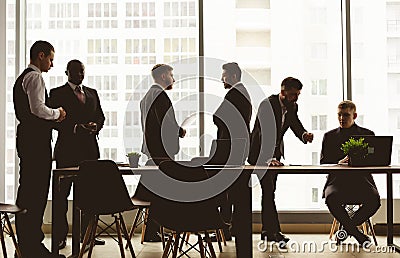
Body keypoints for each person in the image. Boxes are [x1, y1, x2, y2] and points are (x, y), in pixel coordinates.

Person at [13, 40, 66, 258]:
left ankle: (25, 246)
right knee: (36, 193)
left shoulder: (22, 78)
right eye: (51, 59)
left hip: (27, 140)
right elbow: (38, 109)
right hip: (36, 143)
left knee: (27, 191)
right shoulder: (35, 77)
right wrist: (58, 113)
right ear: (41, 55)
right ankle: (33, 247)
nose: (52, 64)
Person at [248, 77, 314, 244]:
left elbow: (294, 123)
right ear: (283, 92)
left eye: (298, 94)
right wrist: (268, 158)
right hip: (260, 155)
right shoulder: (267, 104)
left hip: (275, 156)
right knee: (269, 191)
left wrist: (304, 134)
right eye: (293, 94)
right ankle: (274, 231)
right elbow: (265, 132)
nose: (296, 98)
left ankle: (267, 230)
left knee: (269, 192)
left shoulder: (292, 106)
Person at [48, 59, 106, 249]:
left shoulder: (92, 93)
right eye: (76, 72)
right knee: (61, 197)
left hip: (89, 152)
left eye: (82, 71)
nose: (80, 75)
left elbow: (100, 115)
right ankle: (60, 237)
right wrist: (75, 128)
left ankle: (87, 235)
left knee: (88, 195)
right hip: (67, 151)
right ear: (67, 73)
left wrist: (95, 126)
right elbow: (53, 120)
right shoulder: (57, 93)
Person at [320, 100, 380, 245]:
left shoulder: (368, 134)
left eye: (346, 115)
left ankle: (346, 230)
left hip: (362, 181)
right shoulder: (329, 136)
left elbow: (375, 160)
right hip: (337, 181)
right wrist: (339, 162)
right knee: (331, 198)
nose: (342, 118)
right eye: (339, 115)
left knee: (374, 201)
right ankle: (356, 234)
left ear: (355, 115)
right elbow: (323, 162)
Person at [139, 64, 186, 241]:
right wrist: (179, 131)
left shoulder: (146, 97)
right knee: (161, 194)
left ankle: (153, 231)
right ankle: (154, 232)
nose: (173, 79)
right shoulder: (160, 96)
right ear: (164, 76)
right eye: (171, 75)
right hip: (162, 155)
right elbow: (164, 126)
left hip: (153, 153)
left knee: (156, 194)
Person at [212, 62, 252, 240]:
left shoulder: (234, 94)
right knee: (234, 189)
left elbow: (217, 117)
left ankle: (224, 229)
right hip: (238, 148)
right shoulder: (243, 93)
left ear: (234, 76)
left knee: (225, 190)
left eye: (224, 75)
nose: (222, 78)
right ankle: (231, 228)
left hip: (229, 149)